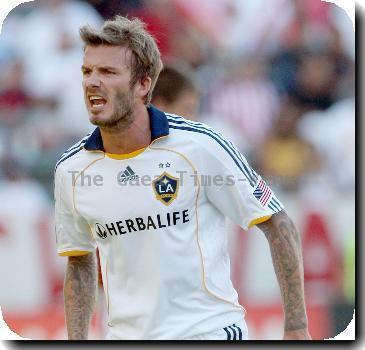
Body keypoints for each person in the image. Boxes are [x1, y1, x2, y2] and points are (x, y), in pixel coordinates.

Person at [54, 15, 311, 340]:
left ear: (143, 84)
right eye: (87, 71)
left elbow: (278, 223)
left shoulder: (201, 146)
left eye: (108, 72)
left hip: (208, 334)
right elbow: (78, 261)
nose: (92, 81)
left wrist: (297, 327)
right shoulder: (72, 170)